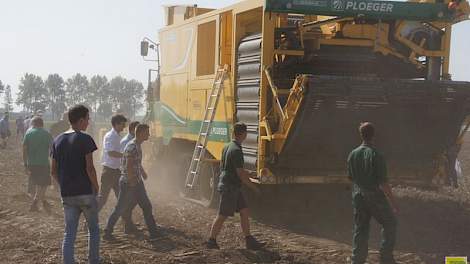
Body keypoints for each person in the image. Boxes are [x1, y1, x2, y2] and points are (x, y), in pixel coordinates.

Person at [50, 105, 100, 264]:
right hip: (86, 192)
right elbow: (90, 168)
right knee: (93, 230)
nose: (89, 121)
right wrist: (96, 186)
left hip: (67, 194)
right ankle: (93, 260)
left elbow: (53, 171)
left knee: (69, 232)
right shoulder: (85, 139)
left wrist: (63, 185)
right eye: (87, 118)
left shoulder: (57, 140)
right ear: (80, 120)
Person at [206, 122, 264, 250]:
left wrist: (248, 173)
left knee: (244, 211)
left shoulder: (227, 146)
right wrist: (254, 187)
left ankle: (249, 240)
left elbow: (229, 167)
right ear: (244, 134)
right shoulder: (237, 150)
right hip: (230, 187)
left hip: (231, 186)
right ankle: (211, 240)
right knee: (222, 215)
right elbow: (240, 174)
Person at [347, 122, 398, 264]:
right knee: (390, 223)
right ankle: (386, 258)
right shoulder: (377, 155)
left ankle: (357, 259)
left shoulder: (352, 154)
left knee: (361, 228)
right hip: (374, 196)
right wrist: (393, 203)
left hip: (358, 195)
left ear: (361, 135)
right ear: (373, 135)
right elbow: (383, 183)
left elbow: (351, 178)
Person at [103, 124, 159, 240]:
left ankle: (153, 232)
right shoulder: (132, 146)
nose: (148, 135)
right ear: (140, 133)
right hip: (129, 183)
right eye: (147, 132)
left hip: (135, 181)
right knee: (120, 208)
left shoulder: (137, 145)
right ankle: (107, 232)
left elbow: (135, 162)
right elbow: (128, 165)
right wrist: (133, 181)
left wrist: (142, 172)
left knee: (146, 206)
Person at [99, 114, 136, 232]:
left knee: (123, 199)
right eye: (122, 124)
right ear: (116, 124)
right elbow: (111, 153)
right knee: (102, 199)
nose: (124, 126)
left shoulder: (117, 136)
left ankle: (128, 224)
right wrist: (126, 155)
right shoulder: (110, 136)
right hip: (109, 171)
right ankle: (88, 221)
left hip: (116, 171)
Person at [23, 117, 53, 212]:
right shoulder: (47, 134)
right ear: (42, 124)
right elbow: (53, 149)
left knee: (37, 184)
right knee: (43, 184)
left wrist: (25, 163)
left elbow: (24, 149)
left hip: (31, 163)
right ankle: (35, 202)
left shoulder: (28, 133)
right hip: (43, 163)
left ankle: (42, 201)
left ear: (34, 124)